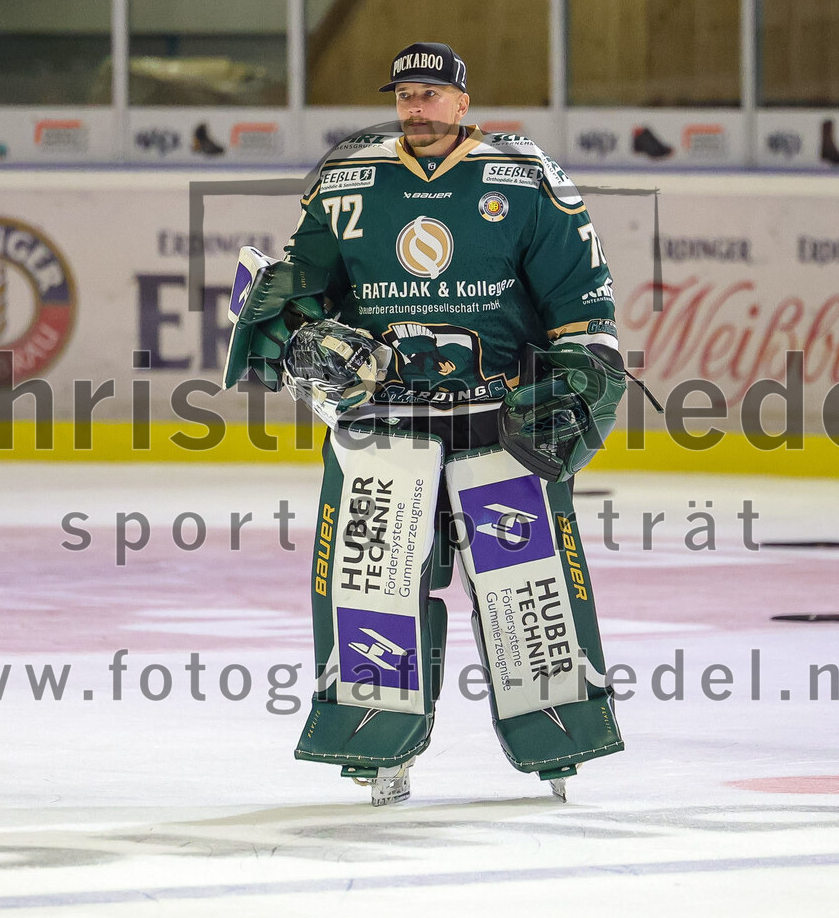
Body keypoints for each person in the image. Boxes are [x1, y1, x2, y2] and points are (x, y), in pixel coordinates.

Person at [222, 41, 627, 805]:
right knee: (374, 582)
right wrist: (294, 330)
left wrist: (582, 372)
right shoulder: (350, 177)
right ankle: (381, 746)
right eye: (406, 93)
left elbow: (581, 297)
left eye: (432, 94)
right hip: (381, 420)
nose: (417, 107)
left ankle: (557, 744)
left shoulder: (526, 180)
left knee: (527, 587)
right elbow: (305, 282)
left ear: (463, 103)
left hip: (497, 420)